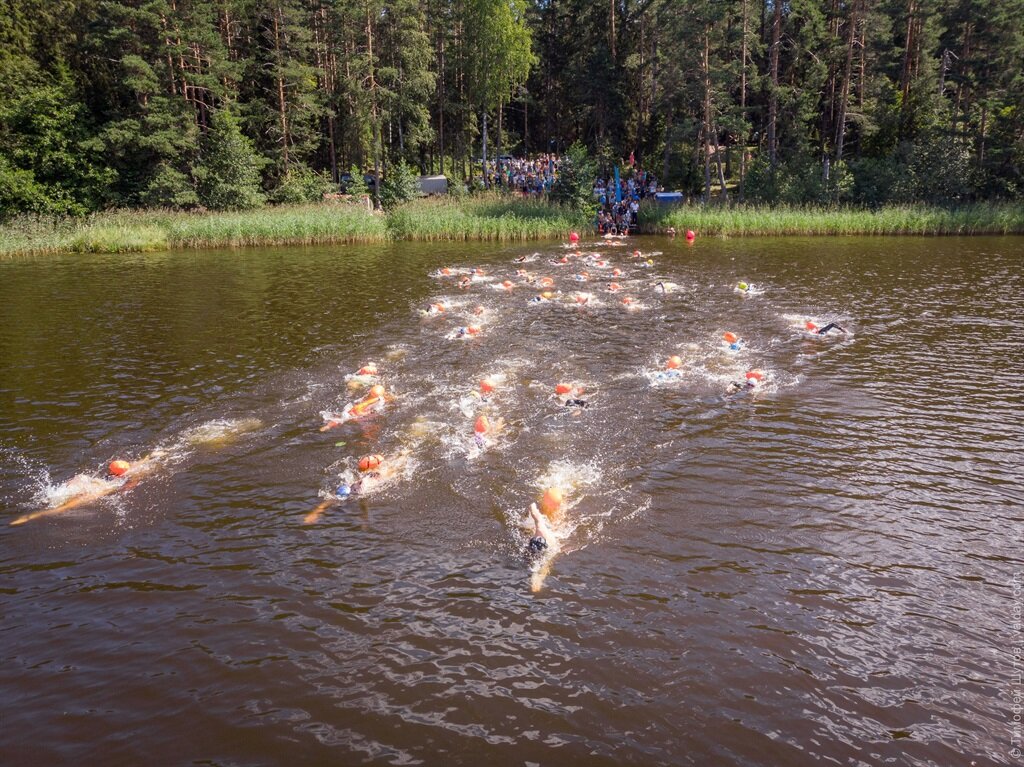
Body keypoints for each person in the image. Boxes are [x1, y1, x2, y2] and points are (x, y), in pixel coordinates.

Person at [10, 452, 166, 526]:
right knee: (67, 506)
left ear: (110, 471)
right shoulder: (130, 475)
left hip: (92, 483)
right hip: (98, 489)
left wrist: (150, 456)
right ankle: (35, 515)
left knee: (74, 487)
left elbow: (140, 463)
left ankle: (36, 514)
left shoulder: (114, 476)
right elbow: (133, 476)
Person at [303, 451, 410, 524]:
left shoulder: (373, 478)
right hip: (363, 483)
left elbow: (362, 501)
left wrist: (364, 516)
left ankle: (403, 454)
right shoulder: (358, 484)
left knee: (394, 468)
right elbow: (361, 501)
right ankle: (402, 454)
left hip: (365, 483)